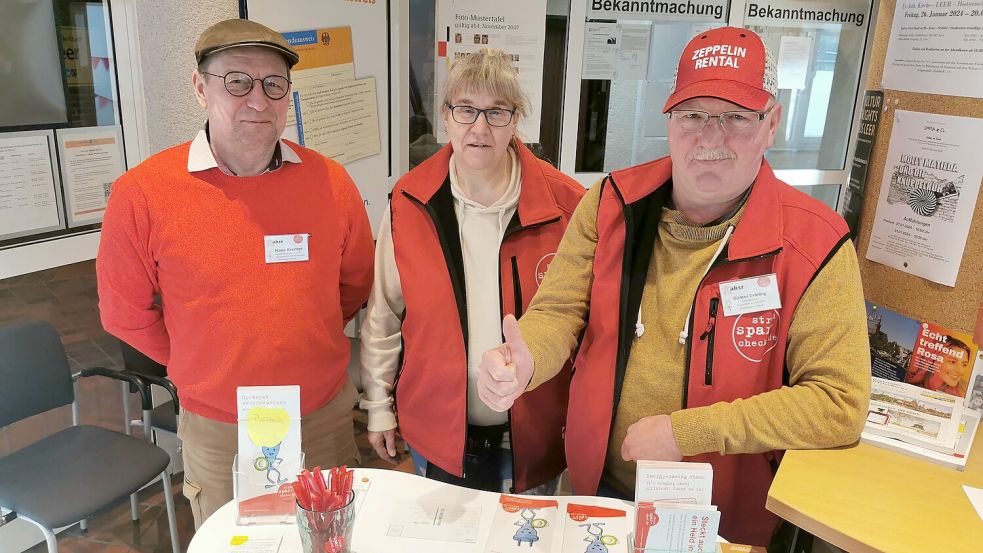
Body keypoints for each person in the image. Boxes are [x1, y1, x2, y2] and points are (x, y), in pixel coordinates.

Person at [477, 27, 871, 546]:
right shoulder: (612, 203)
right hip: (600, 496)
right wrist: (525, 363)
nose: (711, 138)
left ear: (771, 123)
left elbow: (838, 403)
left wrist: (686, 433)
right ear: (669, 121)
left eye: (735, 116)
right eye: (693, 115)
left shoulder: (814, 243)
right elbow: (558, 314)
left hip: (723, 525)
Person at [96, 19, 374, 527]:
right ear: (200, 88)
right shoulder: (143, 194)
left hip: (324, 417)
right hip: (222, 429)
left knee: (331, 536)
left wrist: (296, 336)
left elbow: (354, 283)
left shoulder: (330, 181)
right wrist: (200, 363)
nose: (259, 100)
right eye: (238, 81)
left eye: (274, 85)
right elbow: (123, 313)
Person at [359, 48, 585, 493]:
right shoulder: (410, 202)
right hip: (437, 434)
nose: (479, 128)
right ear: (446, 116)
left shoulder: (567, 207)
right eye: (466, 110)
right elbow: (384, 317)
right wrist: (379, 405)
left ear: (516, 119)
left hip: (533, 438)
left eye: (496, 112)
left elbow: (586, 326)